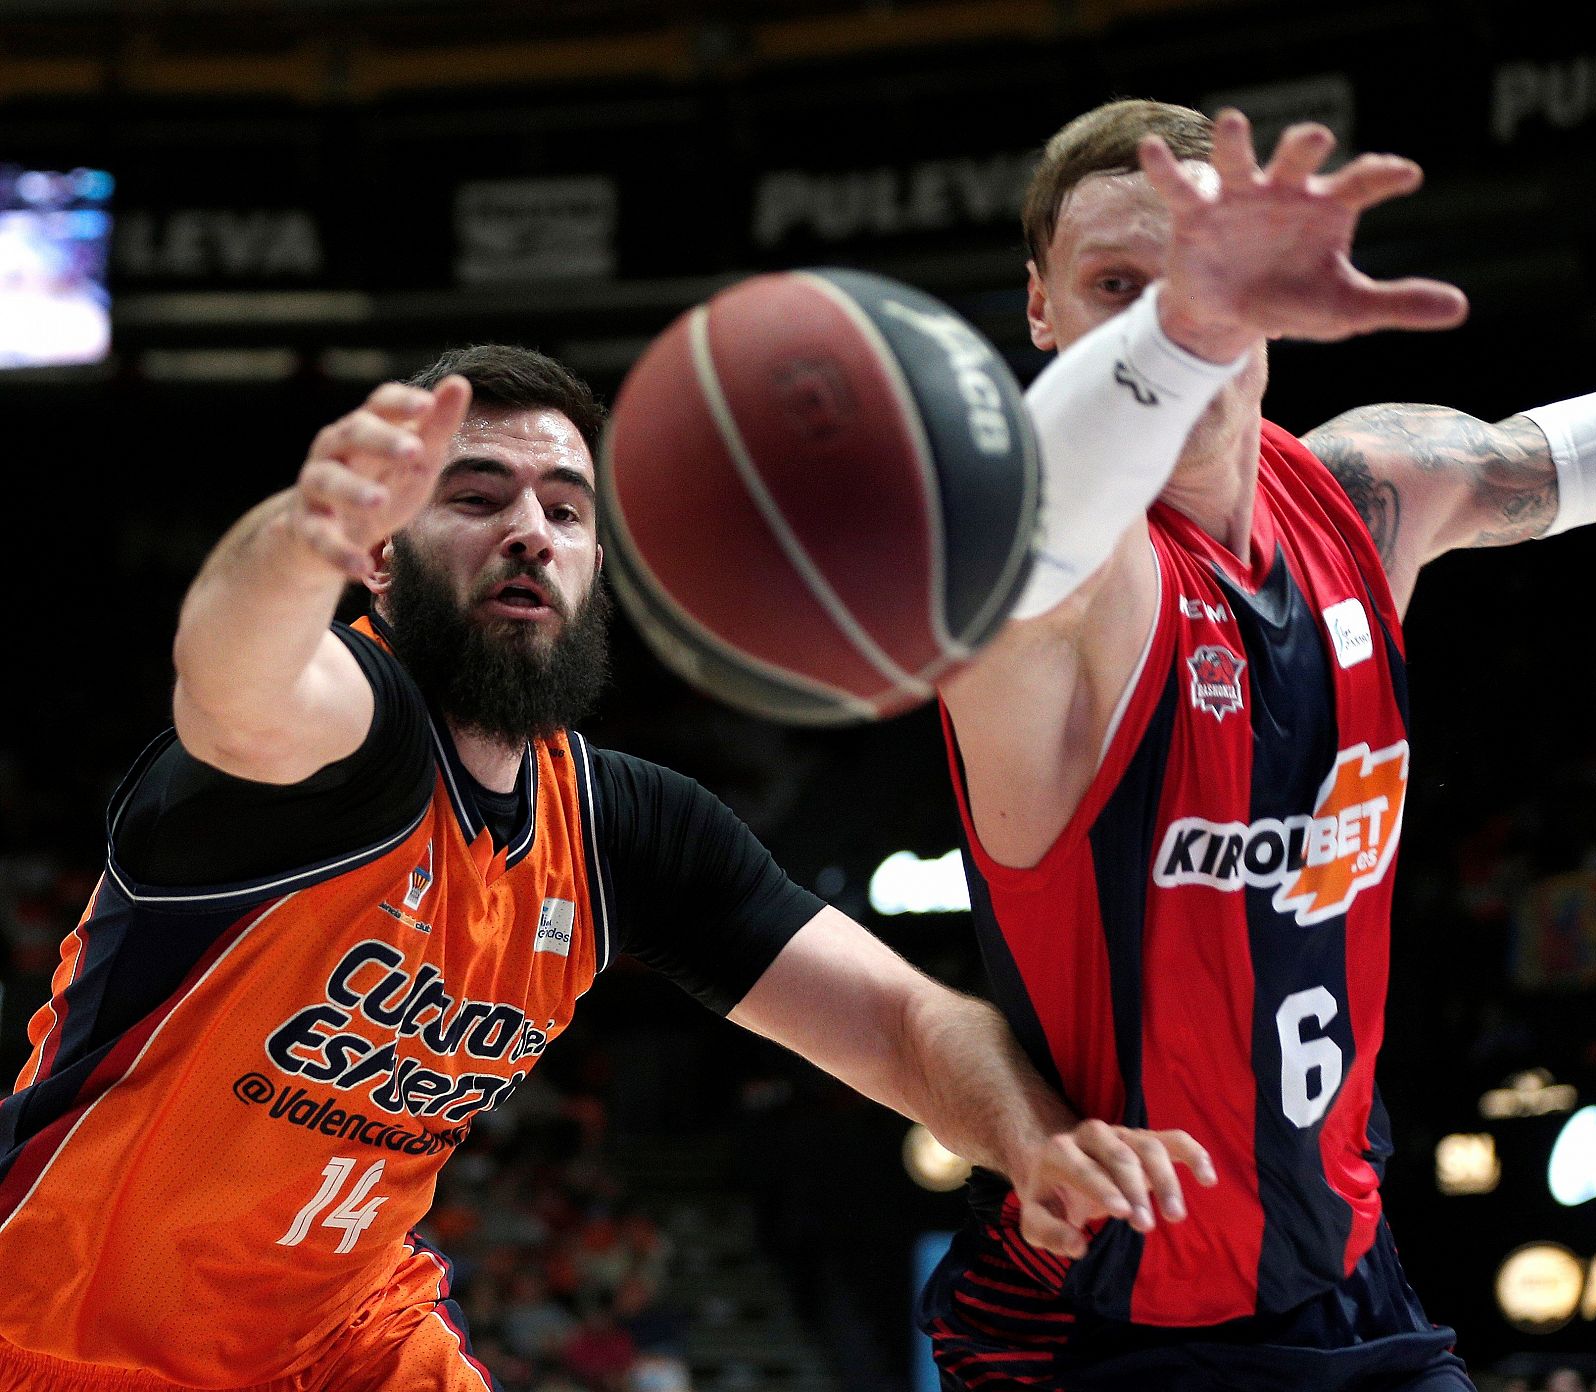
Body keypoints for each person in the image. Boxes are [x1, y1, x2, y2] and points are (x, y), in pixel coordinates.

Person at [0, 344, 1214, 1391]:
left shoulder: (624, 829)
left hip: (348, 1337)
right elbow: (233, 678)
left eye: (566, 508)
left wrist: (1034, 1140)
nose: (530, 527)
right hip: (62, 1333)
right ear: (379, 558)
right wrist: (293, 535)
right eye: (473, 494)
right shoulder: (342, 737)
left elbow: (900, 1022)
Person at [919, 99, 1596, 1391]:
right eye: (1116, 286)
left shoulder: (1363, 498)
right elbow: (1049, 522)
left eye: (1205, 280)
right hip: (1112, 1329)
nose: (1178, 316)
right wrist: (1188, 329)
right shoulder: (1047, 591)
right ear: (1040, 313)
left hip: (1351, 1283)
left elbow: (1547, 458)